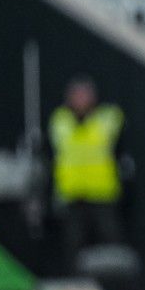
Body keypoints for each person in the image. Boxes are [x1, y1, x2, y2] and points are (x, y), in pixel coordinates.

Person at [47, 75, 125, 272]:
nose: (81, 100)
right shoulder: (60, 119)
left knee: (109, 241)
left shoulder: (107, 117)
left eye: (84, 95)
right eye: (77, 95)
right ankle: (75, 287)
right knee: (72, 243)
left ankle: (114, 288)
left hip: (101, 191)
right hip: (72, 192)